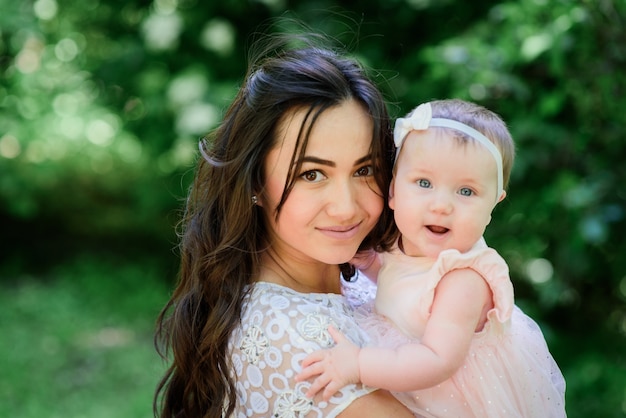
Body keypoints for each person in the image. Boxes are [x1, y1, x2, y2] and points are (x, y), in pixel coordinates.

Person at [153, 26, 416, 418]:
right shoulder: (294, 340)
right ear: (256, 181)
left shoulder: (362, 278)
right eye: (312, 174)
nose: (346, 208)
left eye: (365, 170)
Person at [296, 99, 567, 417]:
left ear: (494, 204)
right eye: (424, 183)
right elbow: (396, 276)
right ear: (394, 191)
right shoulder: (404, 244)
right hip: (407, 368)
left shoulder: (463, 279)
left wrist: (358, 363)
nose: (441, 205)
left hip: (458, 398)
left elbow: (436, 360)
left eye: (466, 192)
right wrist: (361, 259)